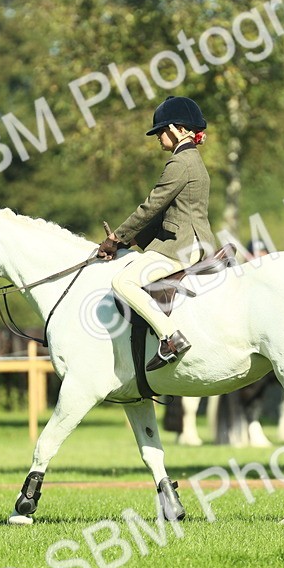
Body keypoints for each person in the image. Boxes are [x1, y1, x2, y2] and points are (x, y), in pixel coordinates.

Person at [98, 96, 216, 371]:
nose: (158, 137)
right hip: (194, 239)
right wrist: (132, 240)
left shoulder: (179, 163)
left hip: (182, 245)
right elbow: (169, 212)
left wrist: (115, 238)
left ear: (177, 129)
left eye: (161, 131)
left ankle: (169, 337)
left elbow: (151, 206)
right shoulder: (192, 159)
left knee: (123, 282)